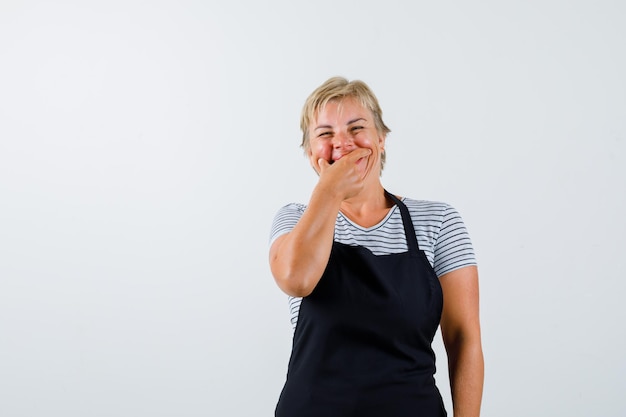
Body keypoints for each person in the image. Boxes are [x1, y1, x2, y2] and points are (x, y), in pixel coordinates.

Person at [269, 76, 484, 417]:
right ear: (311, 153)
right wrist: (329, 191)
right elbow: (296, 279)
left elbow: (463, 338)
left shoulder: (438, 221)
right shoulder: (295, 221)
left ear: (381, 139)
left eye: (356, 128)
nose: (342, 143)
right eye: (325, 134)